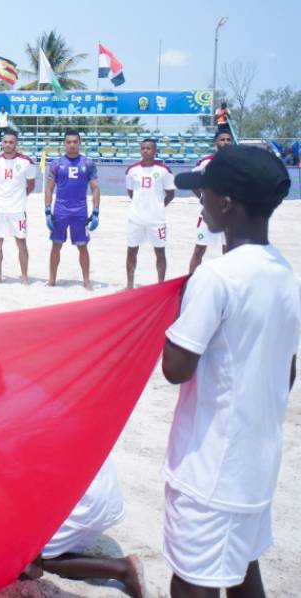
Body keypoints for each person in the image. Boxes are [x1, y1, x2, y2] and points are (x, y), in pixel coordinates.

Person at [162, 145, 298, 598]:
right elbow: (288, 368)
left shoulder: (216, 278)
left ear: (225, 204)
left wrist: (174, 315)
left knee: (194, 579)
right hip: (256, 462)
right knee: (241, 569)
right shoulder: (284, 271)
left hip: (210, 468)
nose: (198, 200)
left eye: (204, 192)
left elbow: (176, 369)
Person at [24, 460, 144, 598]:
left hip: (86, 504)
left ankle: (122, 569)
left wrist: (33, 557)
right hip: (105, 492)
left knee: (25, 559)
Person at [45, 129, 100, 290]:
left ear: (79, 143)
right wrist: (47, 211)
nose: (72, 145)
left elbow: (95, 188)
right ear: (64, 143)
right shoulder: (56, 164)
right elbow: (49, 188)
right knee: (56, 245)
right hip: (60, 210)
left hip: (80, 211)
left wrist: (96, 212)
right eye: (69, 142)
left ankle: (87, 281)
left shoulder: (88, 163)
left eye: (75, 142)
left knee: (82, 246)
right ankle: (52, 280)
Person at [125, 139, 175, 289]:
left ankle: (160, 285)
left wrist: (158, 206)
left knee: (160, 252)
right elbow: (130, 192)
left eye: (149, 148)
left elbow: (171, 194)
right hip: (136, 219)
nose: (145, 151)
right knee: (132, 250)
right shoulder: (132, 170)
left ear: (155, 151)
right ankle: (130, 285)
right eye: (143, 148)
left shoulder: (164, 170)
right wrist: (140, 206)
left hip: (157, 220)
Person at [0, 130, 35, 284]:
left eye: (11, 142)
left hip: (18, 209)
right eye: (5, 142)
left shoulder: (26, 162)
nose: (8, 145)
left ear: (16, 143)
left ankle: (25, 276)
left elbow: (31, 185)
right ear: (2, 143)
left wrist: (18, 197)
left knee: (21, 242)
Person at [188, 131, 234, 275]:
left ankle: (228, 284)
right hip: (210, 215)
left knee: (228, 251)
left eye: (228, 140)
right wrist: (202, 198)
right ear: (216, 143)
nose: (226, 142)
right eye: (222, 140)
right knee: (199, 249)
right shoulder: (207, 162)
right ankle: (191, 283)